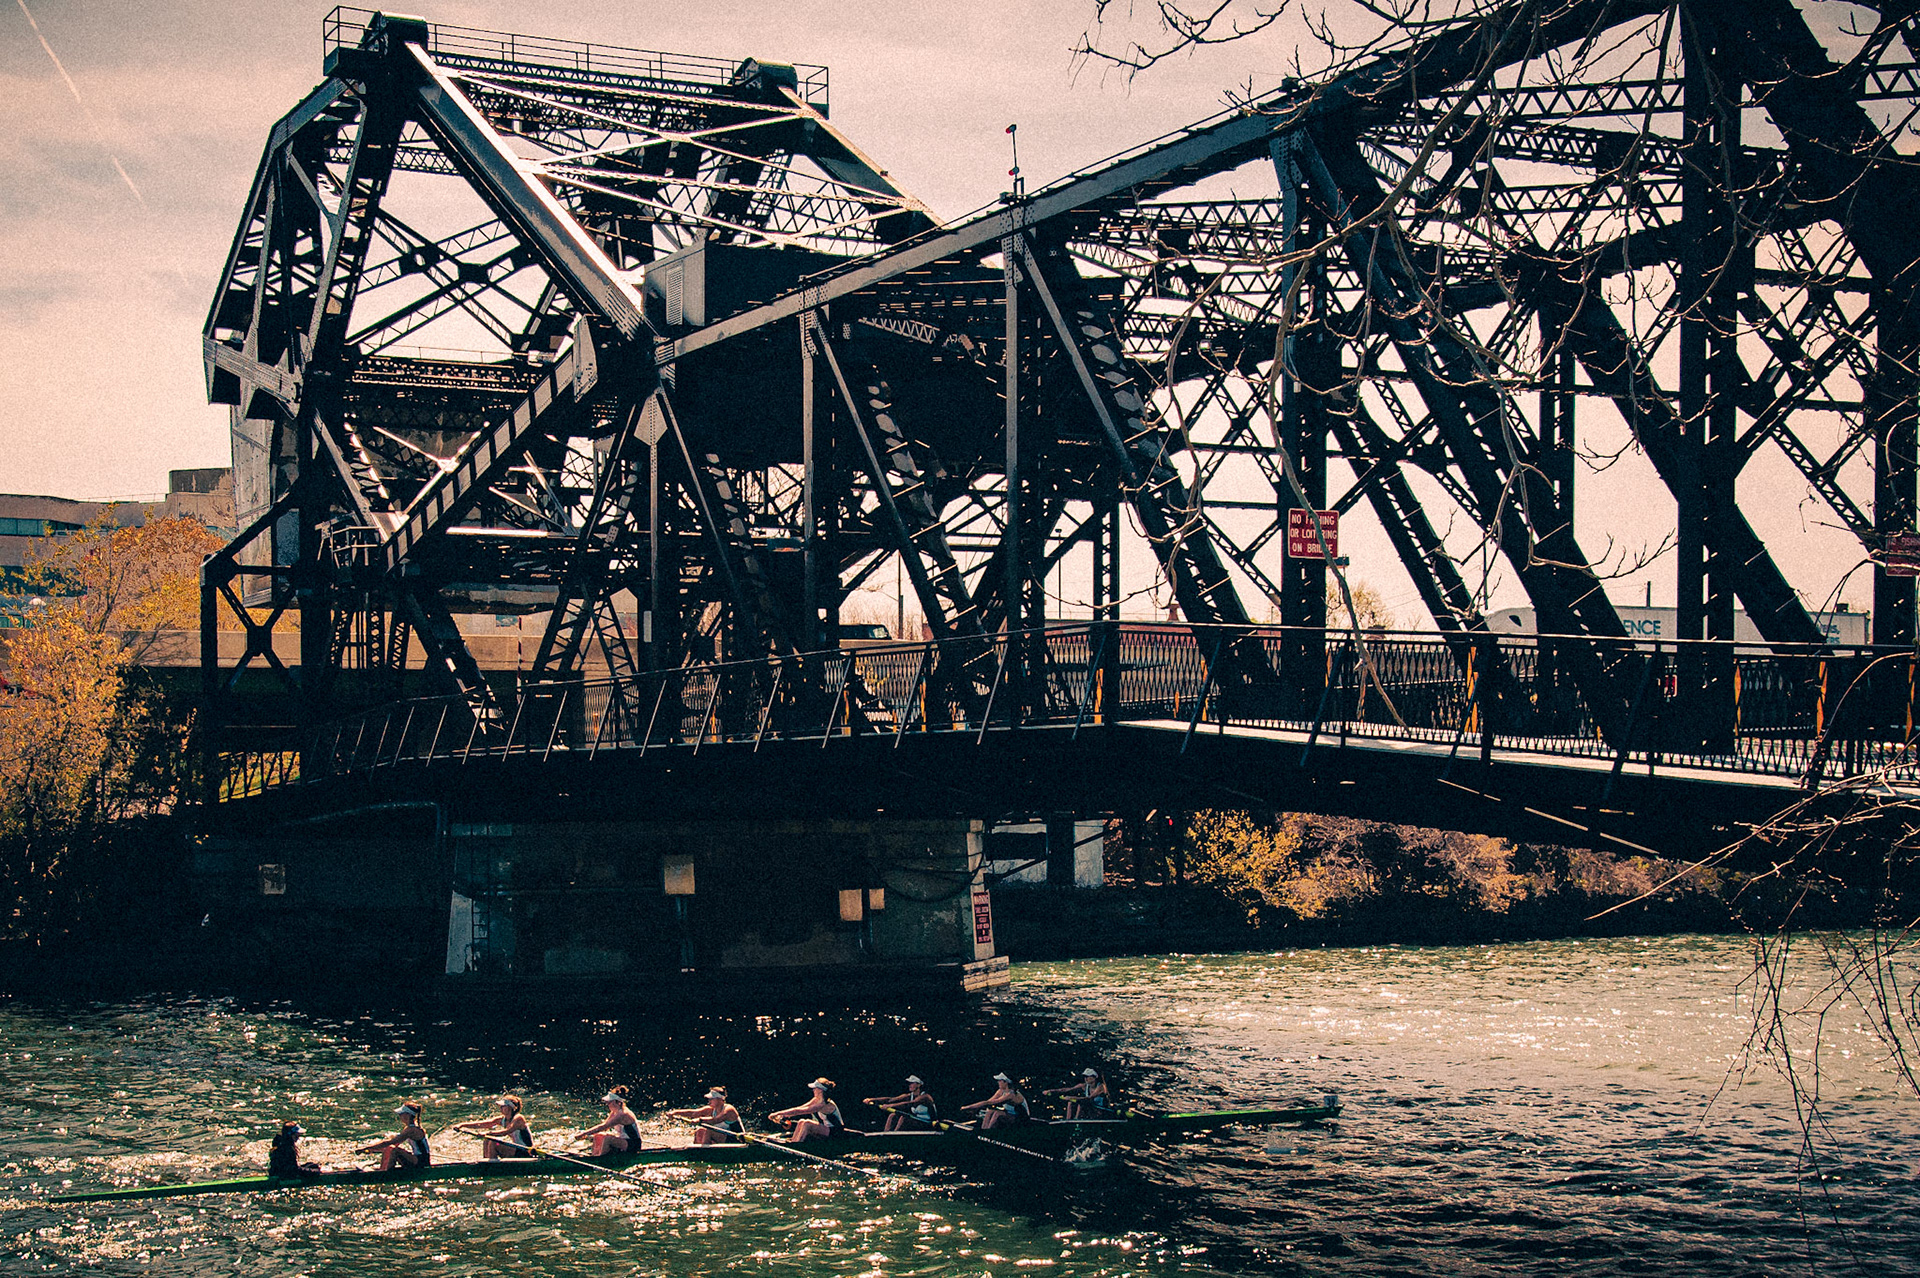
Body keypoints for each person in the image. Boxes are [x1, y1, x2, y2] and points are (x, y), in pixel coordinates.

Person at [455, 1094, 536, 1159]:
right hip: (515, 1150)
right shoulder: (503, 1119)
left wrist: (487, 1133)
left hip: (526, 1151)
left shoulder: (519, 1118)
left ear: (510, 1107)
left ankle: (491, 1165)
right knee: (487, 1139)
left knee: (493, 1143)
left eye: (503, 1106)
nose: (500, 1108)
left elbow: (506, 1132)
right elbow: (482, 1124)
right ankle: (486, 1161)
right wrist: (462, 1125)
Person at [357, 1101, 431, 1170]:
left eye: (401, 1114)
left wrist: (366, 1147)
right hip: (417, 1160)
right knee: (390, 1148)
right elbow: (394, 1144)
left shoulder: (411, 1130)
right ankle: (383, 1170)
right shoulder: (409, 1128)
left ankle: (386, 1173)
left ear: (407, 1115)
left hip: (421, 1163)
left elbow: (389, 1142)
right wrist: (372, 1150)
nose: (399, 1116)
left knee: (394, 1150)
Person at [770, 1077, 845, 1142]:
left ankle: (798, 1144)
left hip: (835, 1132)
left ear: (820, 1090)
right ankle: (793, 1141)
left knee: (807, 1123)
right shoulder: (816, 1099)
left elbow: (800, 1111)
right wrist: (783, 1115)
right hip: (826, 1129)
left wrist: (777, 1113)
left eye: (814, 1088)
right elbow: (799, 1108)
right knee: (801, 1121)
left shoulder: (823, 1105)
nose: (813, 1090)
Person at [577, 1086, 644, 1155]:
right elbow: (605, 1125)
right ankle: (595, 1156)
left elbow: (603, 1127)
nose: (607, 1104)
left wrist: (584, 1133)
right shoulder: (614, 1112)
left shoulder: (623, 1114)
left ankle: (602, 1158)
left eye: (609, 1102)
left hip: (634, 1144)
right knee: (599, 1135)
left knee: (608, 1139)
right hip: (624, 1140)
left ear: (617, 1102)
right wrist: (588, 1135)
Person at [666, 1087, 743, 1144]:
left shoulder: (729, 1110)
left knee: (709, 1130)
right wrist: (675, 1112)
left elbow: (715, 1120)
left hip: (736, 1140)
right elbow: (693, 1113)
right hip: (723, 1138)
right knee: (699, 1131)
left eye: (711, 1099)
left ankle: (704, 1152)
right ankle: (696, 1150)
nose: (709, 1101)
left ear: (720, 1099)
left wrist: (700, 1120)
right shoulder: (712, 1109)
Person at [863, 1075, 939, 1131]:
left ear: (919, 1085)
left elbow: (909, 1104)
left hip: (929, 1123)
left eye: (912, 1083)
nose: (909, 1085)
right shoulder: (908, 1096)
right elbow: (891, 1099)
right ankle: (886, 1134)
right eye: (909, 1083)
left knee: (904, 1118)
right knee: (893, 1115)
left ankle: (895, 1136)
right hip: (918, 1121)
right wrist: (872, 1099)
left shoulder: (925, 1097)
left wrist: (890, 1106)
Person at [960, 1072, 1030, 1130]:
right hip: (1010, 1115)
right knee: (990, 1111)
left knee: (997, 1113)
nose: (998, 1082)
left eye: (1000, 1080)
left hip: (1022, 1119)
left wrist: (966, 1107)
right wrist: (976, 1109)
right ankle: (983, 1130)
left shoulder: (1011, 1095)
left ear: (1006, 1082)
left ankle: (989, 1132)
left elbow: (988, 1103)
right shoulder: (1000, 1091)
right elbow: (987, 1102)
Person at [1043, 1068, 1113, 1119]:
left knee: (1080, 1103)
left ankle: (1077, 1120)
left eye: (1088, 1076)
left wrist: (1073, 1098)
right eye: (1085, 1077)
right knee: (1070, 1102)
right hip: (1091, 1109)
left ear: (1094, 1077)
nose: (1085, 1079)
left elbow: (1089, 1098)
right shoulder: (1084, 1086)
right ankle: (1068, 1121)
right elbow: (1067, 1089)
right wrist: (1051, 1091)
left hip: (1101, 1111)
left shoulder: (1101, 1087)